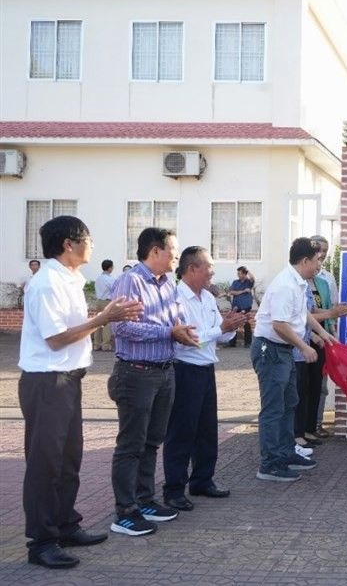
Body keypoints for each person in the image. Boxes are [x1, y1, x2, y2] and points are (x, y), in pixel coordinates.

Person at [18, 216, 142, 568]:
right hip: (47, 382)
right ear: (69, 244)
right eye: (87, 238)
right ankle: (41, 542)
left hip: (68, 380)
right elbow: (56, 338)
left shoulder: (71, 278)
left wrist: (106, 316)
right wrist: (103, 318)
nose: (92, 244)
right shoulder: (45, 283)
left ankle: (65, 524)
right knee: (45, 463)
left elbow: (72, 328)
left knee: (70, 458)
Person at [108, 228, 200, 536]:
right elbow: (122, 328)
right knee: (131, 444)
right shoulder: (131, 281)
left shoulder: (168, 284)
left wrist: (181, 331)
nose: (176, 255)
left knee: (151, 441)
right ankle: (125, 511)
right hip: (136, 373)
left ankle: (145, 500)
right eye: (172, 249)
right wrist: (168, 333)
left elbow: (170, 323)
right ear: (155, 251)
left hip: (164, 371)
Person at [162, 247, 249, 512]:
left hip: (206, 368)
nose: (212, 271)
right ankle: (174, 489)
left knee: (207, 428)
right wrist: (219, 329)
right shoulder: (176, 298)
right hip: (184, 368)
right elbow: (191, 339)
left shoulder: (208, 298)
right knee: (181, 432)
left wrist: (229, 327)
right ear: (191, 269)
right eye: (208, 266)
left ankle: (202, 480)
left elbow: (218, 337)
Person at [251, 237, 336, 482]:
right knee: (273, 409)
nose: (319, 265)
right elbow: (279, 325)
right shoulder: (285, 285)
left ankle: (286, 452)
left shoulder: (298, 283)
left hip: (284, 352)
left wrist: (322, 334)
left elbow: (303, 313)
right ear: (305, 260)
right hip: (271, 351)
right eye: (317, 260)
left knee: (289, 403)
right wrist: (303, 346)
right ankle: (269, 463)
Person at [308, 235, 342, 438]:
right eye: (318, 250)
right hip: (305, 336)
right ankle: (303, 428)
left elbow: (333, 306)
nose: (321, 255)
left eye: (325, 251)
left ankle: (316, 424)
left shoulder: (327, 278)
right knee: (304, 385)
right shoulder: (298, 279)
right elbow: (301, 313)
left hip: (323, 333)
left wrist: (331, 331)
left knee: (320, 384)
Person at [226, 266, 255, 348]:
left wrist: (247, 271)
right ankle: (232, 343)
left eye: (240, 273)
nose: (238, 274)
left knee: (247, 324)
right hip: (236, 306)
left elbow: (252, 278)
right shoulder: (235, 282)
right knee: (234, 324)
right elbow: (231, 292)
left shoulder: (248, 282)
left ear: (244, 274)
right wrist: (243, 291)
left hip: (246, 306)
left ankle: (248, 343)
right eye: (237, 273)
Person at [92, 259, 116, 352]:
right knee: (107, 324)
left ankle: (96, 345)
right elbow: (114, 289)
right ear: (110, 268)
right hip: (107, 302)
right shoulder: (110, 279)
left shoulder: (98, 278)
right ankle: (105, 345)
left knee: (98, 323)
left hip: (98, 301)